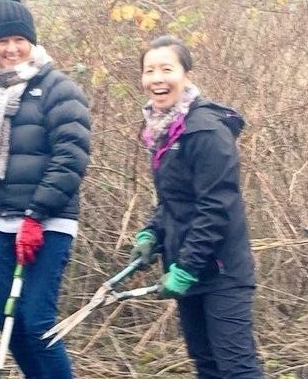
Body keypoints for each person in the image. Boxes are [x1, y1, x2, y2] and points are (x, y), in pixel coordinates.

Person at [0, 0, 90, 379]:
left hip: (46, 224)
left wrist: (37, 215)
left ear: (31, 42)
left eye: (19, 40)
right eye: (3, 41)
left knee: (34, 318)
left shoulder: (58, 88)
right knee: (6, 322)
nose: (12, 48)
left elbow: (72, 156)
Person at [128, 36, 263, 379]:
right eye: (149, 70)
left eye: (166, 69)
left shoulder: (204, 131)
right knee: (207, 367)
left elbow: (215, 207)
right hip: (188, 271)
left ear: (186, 74)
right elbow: (176, 202)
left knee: (237, 369)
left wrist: (186, 267)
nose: (157, 78)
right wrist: (151, 233)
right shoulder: (165, 131)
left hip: (221, 271)